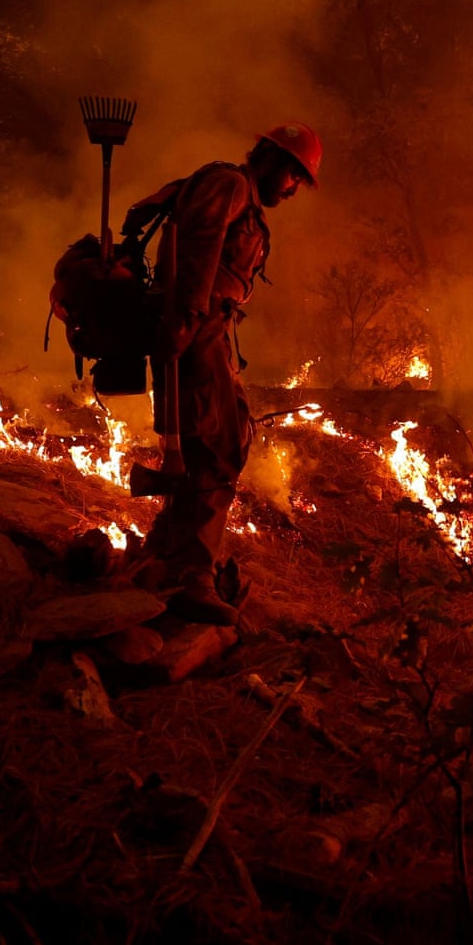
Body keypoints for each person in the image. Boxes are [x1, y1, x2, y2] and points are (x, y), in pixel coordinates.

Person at [135, 122, 321, 625]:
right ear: (272, 160)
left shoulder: (248, 201)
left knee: (227, 435)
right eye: (293, 174)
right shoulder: (231, 185)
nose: (293, 187)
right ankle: (192, 574)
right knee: (213, 447)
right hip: (196, 327)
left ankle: (163, 552)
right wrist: (187, 320)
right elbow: (198, 249)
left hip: (211, 330)